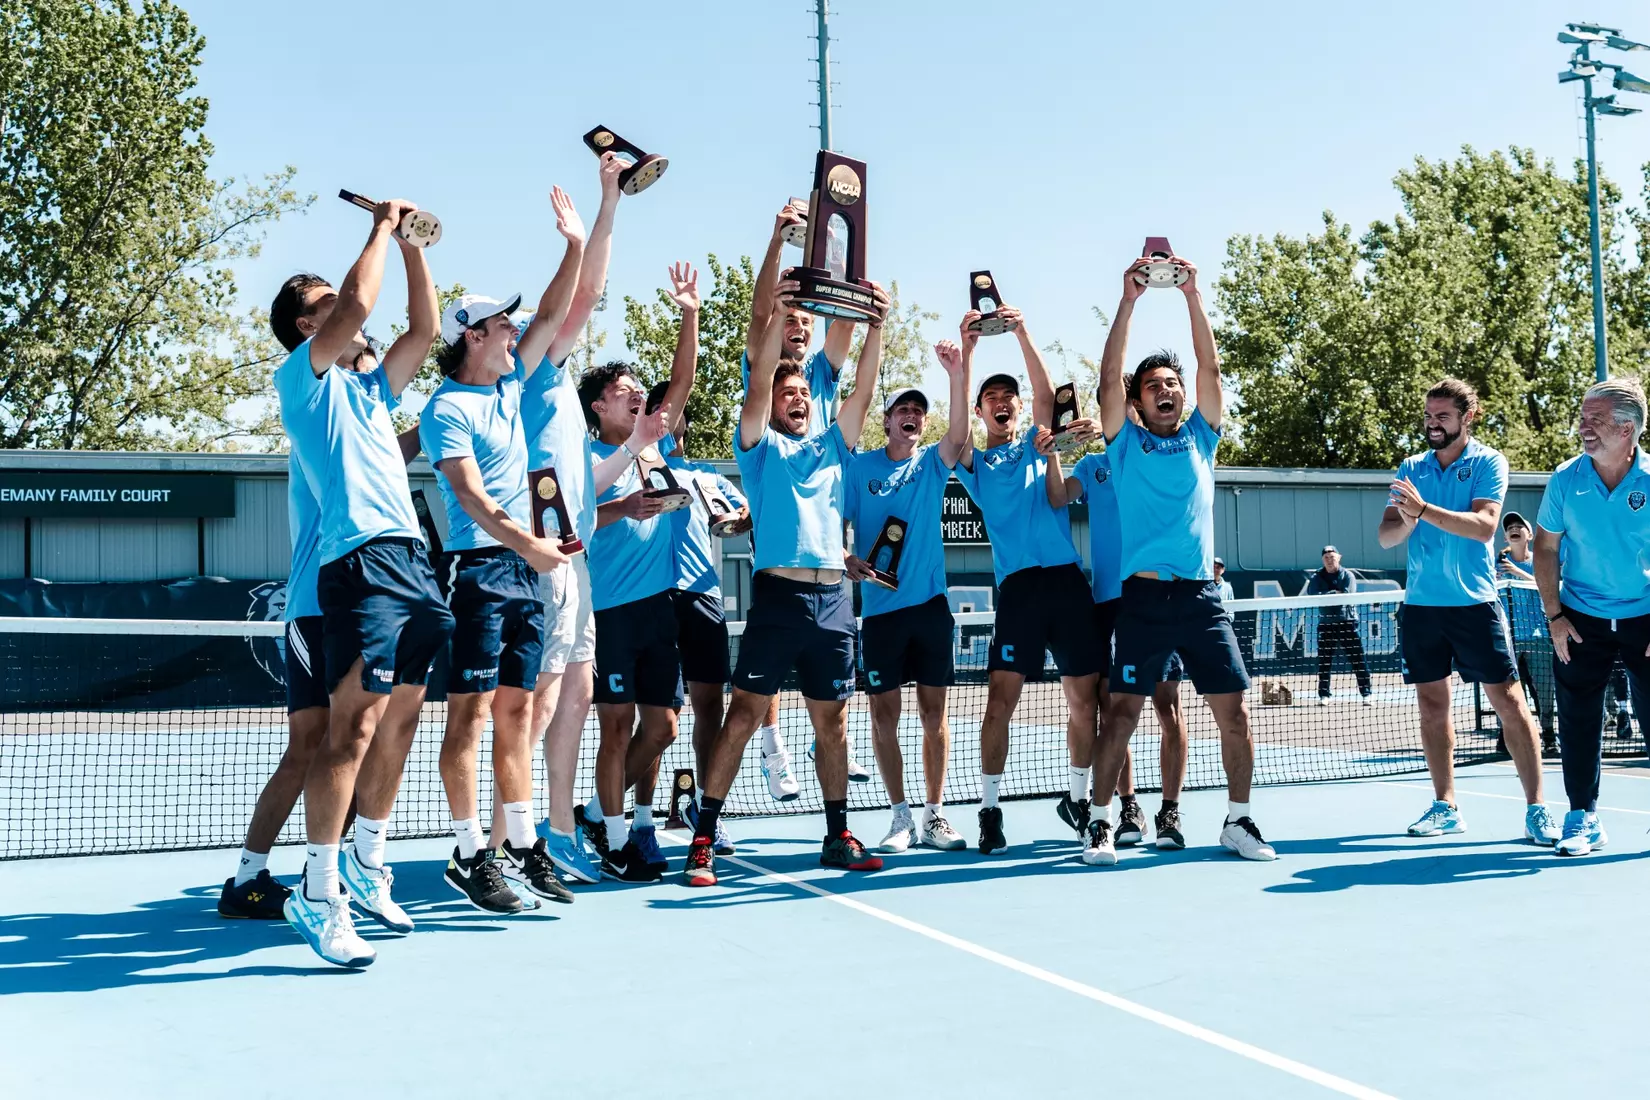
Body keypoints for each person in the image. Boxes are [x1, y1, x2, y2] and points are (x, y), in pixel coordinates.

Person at [270, 198, 456, 967]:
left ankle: (366, 858)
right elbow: (357, 305)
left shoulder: (374, 391)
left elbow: (425, 330)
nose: (347, 317)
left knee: (401, 722)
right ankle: (317, 893)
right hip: (359, 562)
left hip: (412, 562)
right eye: (325, 307)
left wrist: (413, 245)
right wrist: (380, 226)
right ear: (308, 327)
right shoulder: (302, 381)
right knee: (348, 730)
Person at [682, 274, 891, 887]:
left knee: (833, 724)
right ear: (771, 403)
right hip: (779, 600)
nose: (797, 398)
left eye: (803, 392)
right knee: (743, 716)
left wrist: (876, 325)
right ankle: (704, 837)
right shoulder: (757, 447)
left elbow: (863, 388)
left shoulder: (835, 444)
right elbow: (760, 377)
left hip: (834, 602)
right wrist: (779, 310)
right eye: (786, 393)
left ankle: (837, 835)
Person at [417, 188, 590, 912]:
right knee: (470, 717)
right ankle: (467, 854)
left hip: (522, 569)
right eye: (501, 325)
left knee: (518, 714)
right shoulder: (445, 409)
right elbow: (472, 501)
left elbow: (551, 314)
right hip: (480, 573)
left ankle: (520, 844)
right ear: (471, 337)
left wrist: (574, 245)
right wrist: (535, 546)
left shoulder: (511, 382)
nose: (515, 331)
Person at [1086, 252, 1275, 865]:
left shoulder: (1201, 437)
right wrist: (1129, 299)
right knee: (1121, 716)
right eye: (1153, 386)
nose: (1166, 390)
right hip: (1142, 599)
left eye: (1172, 383)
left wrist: (1193, 295)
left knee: (1235, 713)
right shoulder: (1123, 444)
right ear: (1136, 404)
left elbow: (1210, 367)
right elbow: (1108, 376)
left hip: (1200, 598)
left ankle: (1239, 821)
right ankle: (1099, 823)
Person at [219, 409, 427, 922]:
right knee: (310, 745)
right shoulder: (324, 439)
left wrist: (444, 418)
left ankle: (325, 873)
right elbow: (381, 456)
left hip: (360, 607)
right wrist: (439, 416)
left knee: (358, 743)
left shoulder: (365, 446)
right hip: (313, 609)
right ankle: (246, 880)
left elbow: (389, 454)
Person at [520, 151, 638, 886]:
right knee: (536, 705)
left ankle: (559, 831)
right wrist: (604, 204)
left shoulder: (557, 389)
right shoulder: (529, 369)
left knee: (576, 695)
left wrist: (637, 449)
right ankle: (511, 836)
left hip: (576, 556)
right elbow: (586, 290)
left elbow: (585, 487)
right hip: (540, 556)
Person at [1377, 377, 1557, 844]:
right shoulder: (1411, 467)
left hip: (1475, 605)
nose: (1433, 424)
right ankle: (1446, 806)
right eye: (1428, 416)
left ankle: (1537, 809)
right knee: (1432, 707)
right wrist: (1408, 519)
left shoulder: (1488, 462)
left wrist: (1423, 510)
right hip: (1421, 608)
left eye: (1442, 416)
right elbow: (1386, 536)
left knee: (1510, 703)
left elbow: (1483, 527)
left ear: (1467, 417)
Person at [951, 306, 1103, 856]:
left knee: (1085, 703)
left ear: (1017, 407)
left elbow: (1046, 394)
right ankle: (990, 809)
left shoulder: (1043, 442)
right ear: (981, 410)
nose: (1001, 401)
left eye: (1008, 395)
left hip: (1067, 584)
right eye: (990, 397)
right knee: (999, 704)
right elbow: (956, 428)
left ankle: (1079, 800)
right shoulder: (973, 462)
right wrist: (967, 355)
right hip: (1018, 591)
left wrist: (1020, 330)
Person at [574, 263, 700, 882]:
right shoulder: (584, 456)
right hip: (611, 613)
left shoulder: (654, 444)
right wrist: (620, 508)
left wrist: (690, 313)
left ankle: (600, 815)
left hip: (660, 609)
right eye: (624, 389)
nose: (636, 394)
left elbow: (683, 381)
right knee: (617, 727)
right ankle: (621, 838)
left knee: (664, 728)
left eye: (637, 388)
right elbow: (572, 519)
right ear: (599, 406)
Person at [742, 202, 869, 795]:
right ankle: (771, 748)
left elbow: (845, 321)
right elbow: (758, 316)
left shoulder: (820, 375)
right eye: (788, 317)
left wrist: (837, 237)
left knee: (832, 684)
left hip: (824, 537)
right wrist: (778, 241)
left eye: (803, 320)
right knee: (761, 675)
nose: (796, 325)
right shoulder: (766, 373)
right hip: (778, 527)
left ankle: (827, 753)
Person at [1040, 374, 1191, 851]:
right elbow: (1058, 497)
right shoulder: (1095, 465)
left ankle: (1170, 811)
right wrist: (1055, 449)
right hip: (1108, 604)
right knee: (1113, 711)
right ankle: (1127, 805)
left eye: (1128, 402)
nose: (1123, 410)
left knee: (1167, 705)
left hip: (1160, 597)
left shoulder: (1166, 455)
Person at [842, 340, 972, 854]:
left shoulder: (932, 464)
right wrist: (845, 557)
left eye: (918, 410)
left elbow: (959, 434)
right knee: (883, 717)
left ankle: (935, 815)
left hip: (930, 610)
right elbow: (832, 522)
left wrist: (957, 374)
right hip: (880, 614)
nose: (912, 416)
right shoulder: (859, 469)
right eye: (903, 410)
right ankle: (900, 818)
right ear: (887, 420)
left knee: (934, 716)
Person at [1534, 377, 1650, 856]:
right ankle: (1582, 816)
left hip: (1645, 616)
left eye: (1594, 420)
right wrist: (1554, 616)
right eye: (1583, 417)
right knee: (1578, 719)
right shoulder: (1566, 478)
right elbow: (1545, 548)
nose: (1583, 427)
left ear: (1626, 429)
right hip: (1579, 617)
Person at [654, 386, 750, 856]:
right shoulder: (632, 468)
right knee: (658, 717)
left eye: (677, 412)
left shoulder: (706, 475)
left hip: (703, 599)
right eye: (661, 410)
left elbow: (746, 512)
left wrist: (741, 517)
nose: (671, 419)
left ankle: (708, 813)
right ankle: (638, 822)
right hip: (651, 599)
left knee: (711, 709)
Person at [1497, 512, 1557, 750]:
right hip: (1508, 641)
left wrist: (1516, 572)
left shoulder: (1539, 562)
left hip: (1538, 639)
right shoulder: (1495, 566)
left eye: (1519, 526)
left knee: (1544, 692)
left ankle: (1549, 736)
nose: (1514, 529)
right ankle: (1506, 738)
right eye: (1509, 527)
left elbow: (1548, 587)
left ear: (1529, 535)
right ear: (1505, 537)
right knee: (1507, 692)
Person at [1308, 545, 1372, 706]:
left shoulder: (1347, 575)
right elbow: (1313, 595)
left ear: (1339, 557)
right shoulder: (1316, 577)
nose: (1329, 560)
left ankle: (1366, 694)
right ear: (1322, 560)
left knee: (1358, 660)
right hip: (1326, 624)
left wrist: (1327, 596)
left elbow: (1346, 596)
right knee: (1324, 663)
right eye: (1326, 558)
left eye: (1332, 557)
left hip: (1347, 623)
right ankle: (1324, 695)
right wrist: (1332, 594)